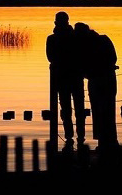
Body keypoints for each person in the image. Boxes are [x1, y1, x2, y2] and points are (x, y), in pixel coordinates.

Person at [74, 22, 119, 151]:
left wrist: (89, 71)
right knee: (108, 110)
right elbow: (113, 58)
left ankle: (104, 142)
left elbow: (83, 64)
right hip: (108, 79)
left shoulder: (85, 46)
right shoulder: (103, 40)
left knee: (100, 111)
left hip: (97, 80)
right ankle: (109, 141)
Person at [46, 11, 85, 146]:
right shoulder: (76, 37)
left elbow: (50, 58)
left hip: (62, 77)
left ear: (56, 22)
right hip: (75, 76)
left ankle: (69, 135)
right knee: (79, 107)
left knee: (66, 108)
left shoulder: (51, 39)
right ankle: (80, 136)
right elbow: (81, 56)